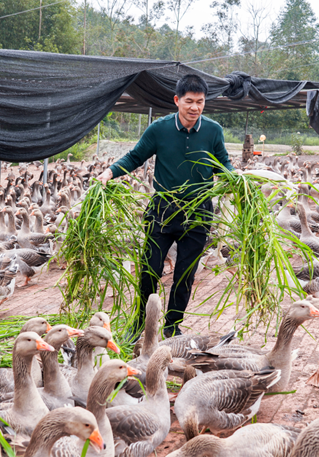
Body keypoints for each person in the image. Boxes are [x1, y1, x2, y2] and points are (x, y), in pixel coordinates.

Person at [99, 74, 234, 338]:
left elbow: (223, 163)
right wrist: (109, 172)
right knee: (150, 269)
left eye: (200, 102)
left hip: (198, 212)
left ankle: (172, 326)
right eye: (189, 101)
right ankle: (141, 322)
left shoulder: (213, 130)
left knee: (185, 273)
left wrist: (234, 177)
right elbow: (135, 156)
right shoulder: (159, 129)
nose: (195, 107)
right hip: (163, 209)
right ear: (177, 100)